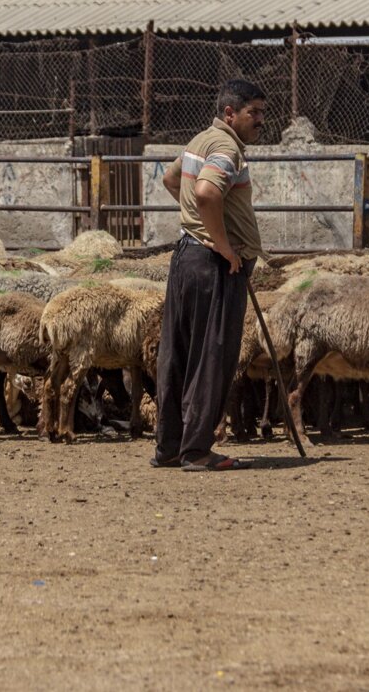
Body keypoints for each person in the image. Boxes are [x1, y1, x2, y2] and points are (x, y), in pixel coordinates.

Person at [152, 79, 267, 471]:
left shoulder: (198, 140)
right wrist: (222, 243)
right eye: (254, 112)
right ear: (230, 113)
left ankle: (169, 445)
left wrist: (197, 227)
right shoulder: (225, 147)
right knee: (212, 356)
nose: (260, 120)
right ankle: (198, 450)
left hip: (186, 256)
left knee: (178, 354)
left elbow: (171, 179)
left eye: (262, 112)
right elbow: (206, 193)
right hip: (214, 265)